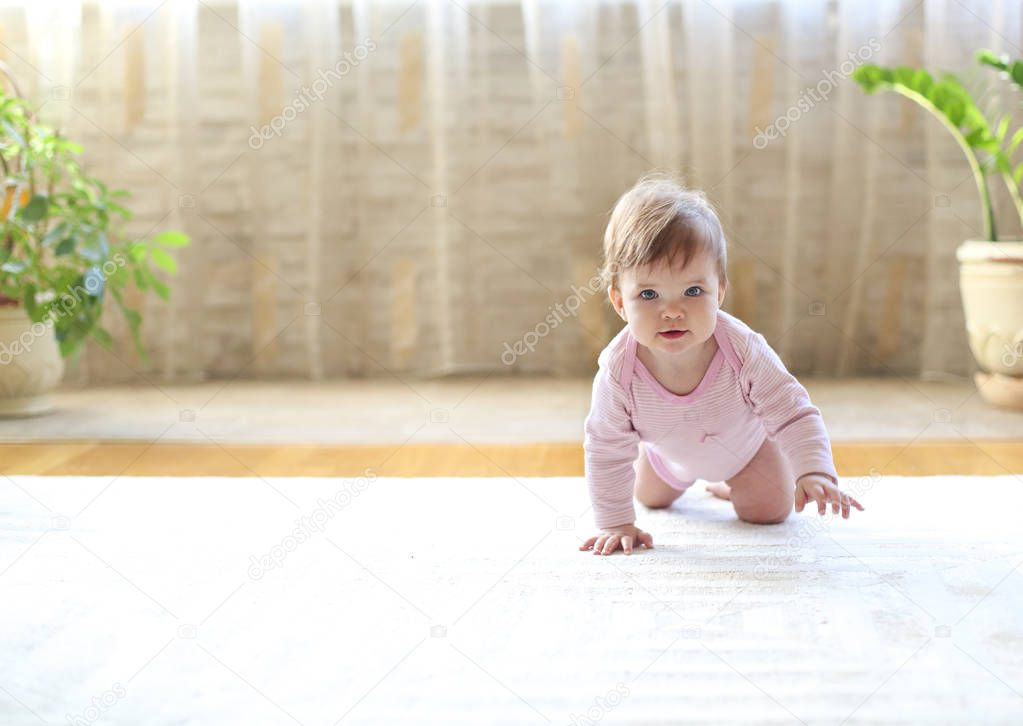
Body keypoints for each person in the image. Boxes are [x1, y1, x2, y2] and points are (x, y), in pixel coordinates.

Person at [580, 175, 864, 556]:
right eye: (649, 294)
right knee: (649, 498)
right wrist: (615, 522)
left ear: (721, 292)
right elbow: (605, 448)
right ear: (619, 303)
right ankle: (665, 464)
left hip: (747, 451)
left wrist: (814, 470)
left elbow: (792, 410)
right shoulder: (619, 370)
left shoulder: (743, 349)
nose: (673, 311)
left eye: (693, 291)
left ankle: (732, 485)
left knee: (769, 510)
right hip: (670, 456)